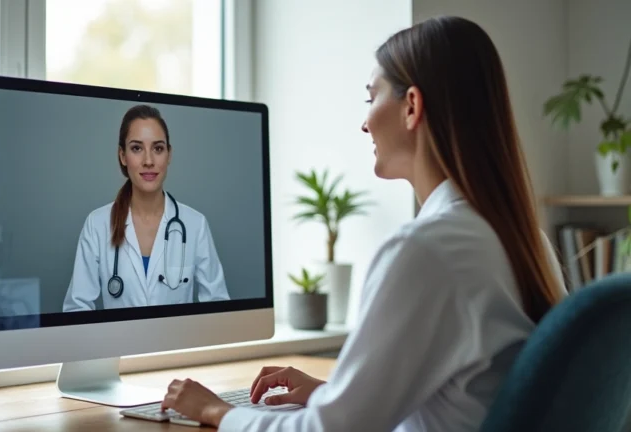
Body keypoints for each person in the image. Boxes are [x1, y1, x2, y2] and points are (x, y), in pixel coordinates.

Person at [157, 15, 569, 431]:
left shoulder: (429, 250)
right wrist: (332, 394)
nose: (364, 122)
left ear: (411, 106)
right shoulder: (522, 241)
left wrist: (215, 411)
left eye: (370, 98)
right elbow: (456, 399)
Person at [63, 104, 230, 311]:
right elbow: (77, 309)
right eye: (136, 148)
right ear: (123, 156)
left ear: (169, 155)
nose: (148, 161)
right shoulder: (97, 224)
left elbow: (218, 309)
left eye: (158, 149)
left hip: (179, 344)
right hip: (117, 344)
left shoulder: (195, 225)